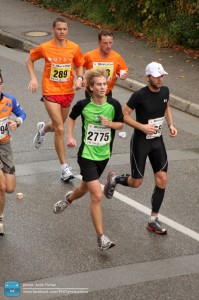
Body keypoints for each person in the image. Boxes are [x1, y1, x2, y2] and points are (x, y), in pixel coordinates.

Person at [53, 69, 124, 251]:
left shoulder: (114, 105)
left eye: (104, 84)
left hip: (104, 155)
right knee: (97, 194)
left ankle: (68, 200)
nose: (102, 87)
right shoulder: (83, 104)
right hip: (86, 155)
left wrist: (109, 124)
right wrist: (69, 136)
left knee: (84, 187)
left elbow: (121, 124)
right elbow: (71, 118)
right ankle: (101, 237)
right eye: (99, 84)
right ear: (91, 87)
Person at [104, 62, 178, 235]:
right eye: (156, 76)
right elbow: (124, 115)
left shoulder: (165, 91)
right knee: (136, 182)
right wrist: (142, 127)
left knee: (162, 178)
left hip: (157, 141)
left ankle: (153, 220)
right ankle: (115, 179)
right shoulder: (139, 95)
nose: (160, 79)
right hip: (141, 142)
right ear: (147, 77)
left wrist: (171, 124)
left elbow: (166, 107)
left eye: (161, 76)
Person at [26, 17, 84, 182]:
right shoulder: (45, 47)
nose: (62, 32)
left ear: (67, 30)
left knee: (57, 125)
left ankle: (43, 129)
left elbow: (80, 63)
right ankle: (64, 168)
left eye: (64, 29)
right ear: (53, 30)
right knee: (59, 128)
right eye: (59, 29)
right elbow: (29, 60)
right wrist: (33, 78)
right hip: (50, 91)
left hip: (67, 92)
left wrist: (79, 77)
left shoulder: (74, 48)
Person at [0, 70, 26, 235]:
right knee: (1, 187)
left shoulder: (9, 99)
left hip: (4, 145)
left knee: (10, 188)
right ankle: (0, 218)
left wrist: (17, 121)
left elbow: (22, 113)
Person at [83, 30, 128, 98]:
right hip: (91, 92)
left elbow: (123, 72)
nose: (108, 46)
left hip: (107, 92)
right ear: (99, 42)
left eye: (110, 43)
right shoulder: (89, 55)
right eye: (105, 43)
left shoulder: (117, 57)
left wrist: (123, 76)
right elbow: (78, 65)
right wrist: (81, 78)